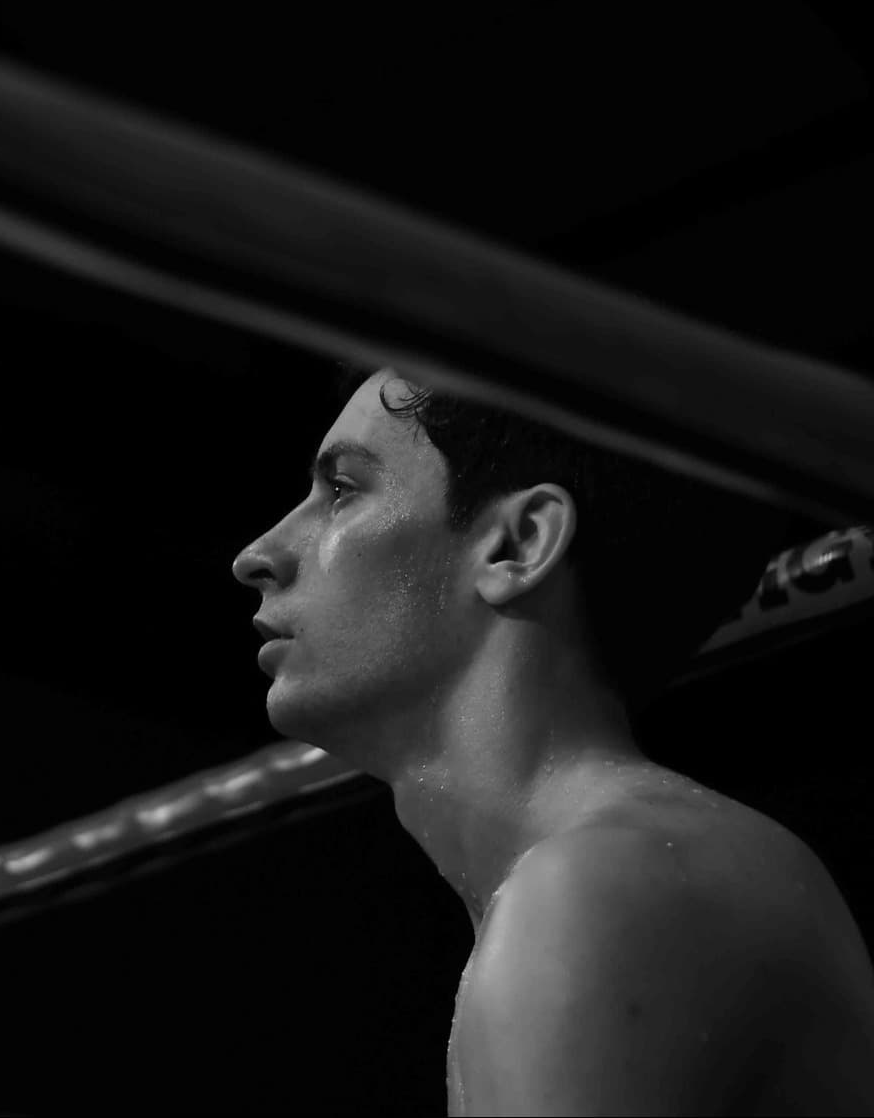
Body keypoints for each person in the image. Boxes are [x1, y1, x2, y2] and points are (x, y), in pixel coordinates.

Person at [231, 365, 874, 1115]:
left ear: (517, 542)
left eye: (342, 489)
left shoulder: (597, 888)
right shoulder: (599, 872)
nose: (256, 553)